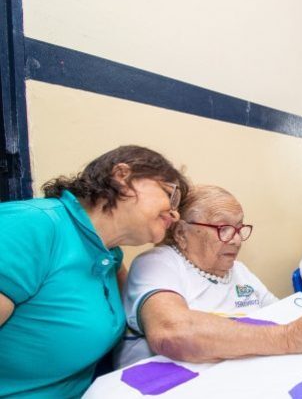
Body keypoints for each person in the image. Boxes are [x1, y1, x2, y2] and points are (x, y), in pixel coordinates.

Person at [0, 145, 188, 398]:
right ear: (122, 176)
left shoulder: (110, 254)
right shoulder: (29, 226)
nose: (175, 214)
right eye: (170, 194)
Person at [117, 185, 302, 368]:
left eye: (239, 228)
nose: (236, 239)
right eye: (224, 228)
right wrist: (287, 338)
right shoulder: (158, 263)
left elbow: (281, 313)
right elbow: (173, 333)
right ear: (182, 233)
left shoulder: (238, 270)